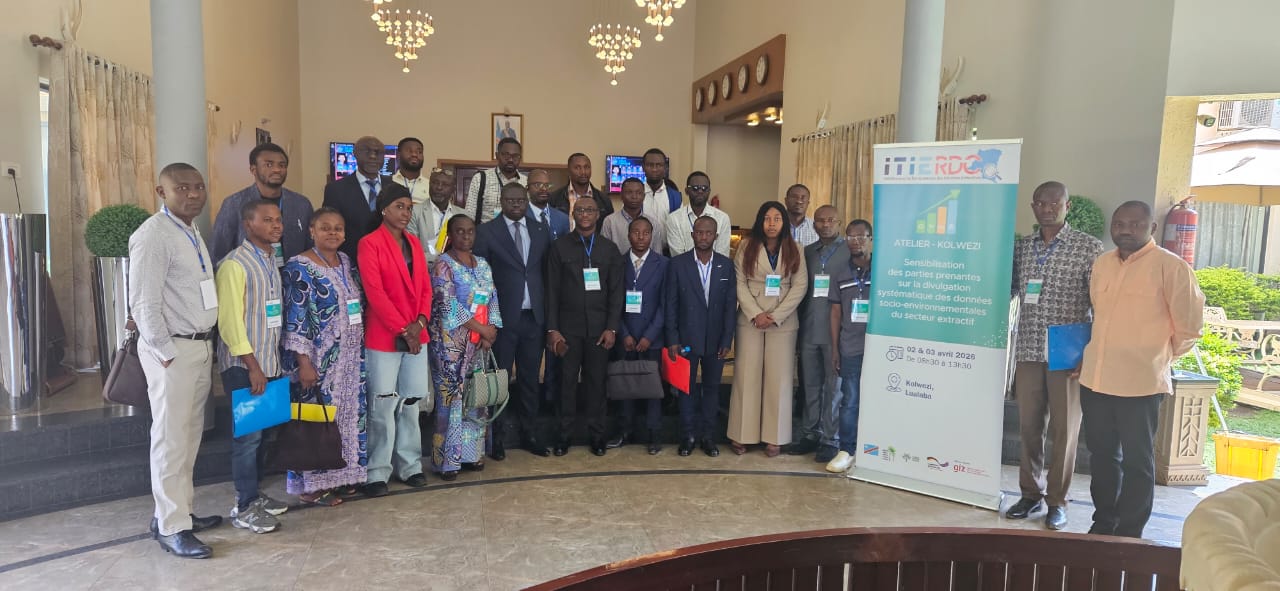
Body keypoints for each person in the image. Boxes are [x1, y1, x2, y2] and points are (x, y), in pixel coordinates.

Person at [1078, 200, 1204, 539]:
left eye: (1135, 224)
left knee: (1137, 462)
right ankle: (1103, 522)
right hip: (1096, 381)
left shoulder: (1171, 267)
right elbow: (1099, 314)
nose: (1126, 230)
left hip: (1141, 385)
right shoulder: (1102, 263)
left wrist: (1156, 358)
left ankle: (1129, 532)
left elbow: (1189, 329)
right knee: (1102, 457)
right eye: (1119, 223)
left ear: (1152, 228)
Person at [131, 163, 222, 558]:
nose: (193, 194)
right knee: (170, 440)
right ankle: (172, 527)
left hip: (198, 347)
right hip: (172, 351)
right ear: (161, 192)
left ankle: (178, 511)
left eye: (198, 187)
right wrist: (165, 352)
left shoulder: (189, 230)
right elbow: (143, 302)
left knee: (188, 437)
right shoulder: (153, 235)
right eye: (182, 188)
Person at [1005, 181, 1105, 531]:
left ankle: (1057, 501)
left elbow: (1101, 304)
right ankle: (1030, 494)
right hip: (1029, 347)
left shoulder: (1089, 247)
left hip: (1069, 352)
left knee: (1066, 429)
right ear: (1033, 207)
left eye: (1054, 203)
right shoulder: (1023, 248)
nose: (1047, 209)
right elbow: (1009, 291)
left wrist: (1091, 351)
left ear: (1067, 206)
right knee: (1029, 426)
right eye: (1040, 203)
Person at [281, 207, 368, 507]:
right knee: (316, 421)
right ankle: (310, 487)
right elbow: (296, 316)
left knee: (345, 420)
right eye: (325, 227)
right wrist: (304, 363)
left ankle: (341, 477)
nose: (333, 233)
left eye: (338, 228)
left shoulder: (346, 261)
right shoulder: (299, 266)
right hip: (318, 361)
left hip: (351, 359)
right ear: (312, 231)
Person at [214, 200, 289, 533]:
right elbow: (230, 322)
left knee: (264, 434)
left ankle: (255, 495)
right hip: (245, 366)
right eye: (267, 220)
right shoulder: (235, 265)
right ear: (248, 225)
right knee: (247, 438)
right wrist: (252, 366)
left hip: (269, 361)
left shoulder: (271, 259)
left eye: (278, 219)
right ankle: (244, 505)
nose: (276, 225)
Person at [357, 182, 434, 497]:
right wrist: (405, 330)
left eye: (409, 208)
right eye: (399, 207)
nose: (405, 213)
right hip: (386, 337)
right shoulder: (369, 243)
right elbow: (375, 294)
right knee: (382, 405)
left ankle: (410, 466)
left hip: (417, 335)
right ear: (383, 209)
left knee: (411, 404)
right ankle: (377, 471)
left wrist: (420, 323)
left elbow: (426, 288)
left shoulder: (414, 243)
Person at [473, 183, 552, 459]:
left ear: (526, 200)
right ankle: (497, 438)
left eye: (520, 199)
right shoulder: (486, 231)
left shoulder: (540, 229)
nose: (516, 204)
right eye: (511, 200)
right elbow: (481, 279)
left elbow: (546, 272)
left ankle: (530, 434)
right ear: (502, 201)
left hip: (534, 318)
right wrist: (486, 321)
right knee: (500, 379)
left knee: (530, 379)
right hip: (502, 319)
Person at [545, 198, 625, 456]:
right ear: (573, 213)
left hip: (600, 331)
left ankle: (597, 436)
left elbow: (616, 292)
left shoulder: (609, 249)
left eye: (590, 210)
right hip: (568, 330)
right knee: (566, 384)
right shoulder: (559, 247)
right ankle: (564, 436)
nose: (585, 214)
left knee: (597, 385)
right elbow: (551, 291)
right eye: (580, 210)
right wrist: (553, 329)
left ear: (598, 214)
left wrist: (612, 328)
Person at [728, 201, 807, 456]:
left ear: (784, 223)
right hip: (751, 319)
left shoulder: (796, 248)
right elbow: (739, 282)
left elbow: (800, 286)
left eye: (777, 219)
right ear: (760, 221)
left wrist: (774, 316)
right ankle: (743, 434)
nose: (772, 224)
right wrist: (756, 314)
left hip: (783, 321)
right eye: (767, 218)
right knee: (746, 376)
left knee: (779, 379)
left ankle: (775, 436)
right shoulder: (746, 246)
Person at [429, 215, 502, 480]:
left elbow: (492, 297)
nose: (466, 236)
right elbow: (447, 304)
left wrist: (490, 330)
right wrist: (481, 328)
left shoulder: (482, 264)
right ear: (450, 235)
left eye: (470, 231)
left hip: (479, 344)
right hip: (450, 345)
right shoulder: (443, 265)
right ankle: (448, 461)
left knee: (476, 398)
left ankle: (472, 455)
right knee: (452, 400)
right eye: (460, 231)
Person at [665, 216, 736, 457]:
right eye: (699, 232)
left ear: (716, 236)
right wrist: (672, 338)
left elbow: (730, 306)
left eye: (708, 233)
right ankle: (688, 436)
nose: (703, 237)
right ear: (692, 234)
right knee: (686, 389)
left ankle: (708, 437)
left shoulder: (726, 265)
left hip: (716, 341)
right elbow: (670, 304)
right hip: (686, 339)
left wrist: (727, 339)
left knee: (712, 389)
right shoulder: (677, 264)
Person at [787, 204, 848, 463]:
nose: (825, 225)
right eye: (821, 221)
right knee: (810, 385)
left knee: (834, 387)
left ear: (840, 223)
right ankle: (810, 433)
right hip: (810, 328)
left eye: (831, 220)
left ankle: (830, 438)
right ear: (814, 225)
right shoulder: (807, 252)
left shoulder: (849, 251)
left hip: (837, 332)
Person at [605, 217, 668, 453]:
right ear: (628, 235)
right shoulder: (618, 263)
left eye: (646, 233)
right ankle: (624, 431)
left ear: (652, 236)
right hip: (626, 338)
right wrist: (624, 333)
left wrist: (649, 336)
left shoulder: (664, 264)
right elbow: (613, 302)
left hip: (652, 339)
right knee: (625, 386)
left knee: (653, 389)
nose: (641, 237)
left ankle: (654, 434)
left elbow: (665, 305)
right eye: (636, 232)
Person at [824, 220, 874, 473]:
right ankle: (846, 450)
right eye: (851, 237)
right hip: (850, 346)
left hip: (879, 348)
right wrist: (835, 349)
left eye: (861, 236)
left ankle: (875, 451)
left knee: (879, 399)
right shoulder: (841, 273)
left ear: (871, 239)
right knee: (850, 400)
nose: (856, 241)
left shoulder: (883, 270)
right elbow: (835, 313)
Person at [211, 142, 314, 265]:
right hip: (251, 274)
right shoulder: (234, 204)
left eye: (282, 165)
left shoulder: (301, 204)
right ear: (253, 170)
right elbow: (218, 253)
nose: (277, 169)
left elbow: (312, 248)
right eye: (269, 164)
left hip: (293, 274)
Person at [324, 136, 392, 264]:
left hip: (389, 263)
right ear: (355, 154)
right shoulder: (336, 190)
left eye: (377, 152)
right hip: (351, 263)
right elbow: (330, 230)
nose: (372, 156)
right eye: (367, 151)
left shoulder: (395, 188)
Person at [408, 167, 468, 262]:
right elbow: (410, 249)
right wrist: (440, 259)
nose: (439, 187)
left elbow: (466, 249)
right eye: (435, 183)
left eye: (445, 184)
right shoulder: (415, 212)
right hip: (423, 268)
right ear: (429, 185)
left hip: (454, 269)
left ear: (453, 189)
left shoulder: (463, 215)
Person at [666, 171, 731, 257]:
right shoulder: (674, 219)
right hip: (684, 265)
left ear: (709, 191)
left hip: (715, 266)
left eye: (704, 188)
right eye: (695, 188)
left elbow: (722, 255)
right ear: (686, 191)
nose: (700, 191)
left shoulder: (722, 218)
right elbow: (678, 256)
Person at [465, 137, 527, 223]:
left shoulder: (526, 182)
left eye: (515, 156)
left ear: (520, 158)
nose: (510, 159)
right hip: (486, 230)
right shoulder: (480, 178)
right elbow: (469, 215)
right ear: (497, 156)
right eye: (506, 155)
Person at [602, 177, 668, 256]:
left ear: (644, 196)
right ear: (621, 196)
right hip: (617, 264)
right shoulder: (610, 221)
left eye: (638, 193)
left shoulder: (653, 223)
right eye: (629, 192)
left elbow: (657, 255)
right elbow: (604, 253)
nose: (634, 196)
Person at [550, 153, 614, 221]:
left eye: (586, 167)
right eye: (577, 168)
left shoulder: (604, 199)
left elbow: (609, 225)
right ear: (568, 171)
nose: (583, 172)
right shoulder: (554, 198)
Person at [527, 169, 571, 239]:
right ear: (527, 188)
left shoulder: (563, 218)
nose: (544, 189)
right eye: (538, 185)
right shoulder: (520, 216)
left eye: (547, 185)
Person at [641, 148, 682, 218]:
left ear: (665, 168)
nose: (654, 169)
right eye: (650, 165)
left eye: (659, 165)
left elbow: (679, 222)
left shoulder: (676, 197)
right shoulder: (634, 194)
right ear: (643, 167)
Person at [391, 137, 430, 205]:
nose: (414, 155)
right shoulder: (388, 182)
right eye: (409, 151)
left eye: (419, 152)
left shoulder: (430, 186)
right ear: (398, 155)